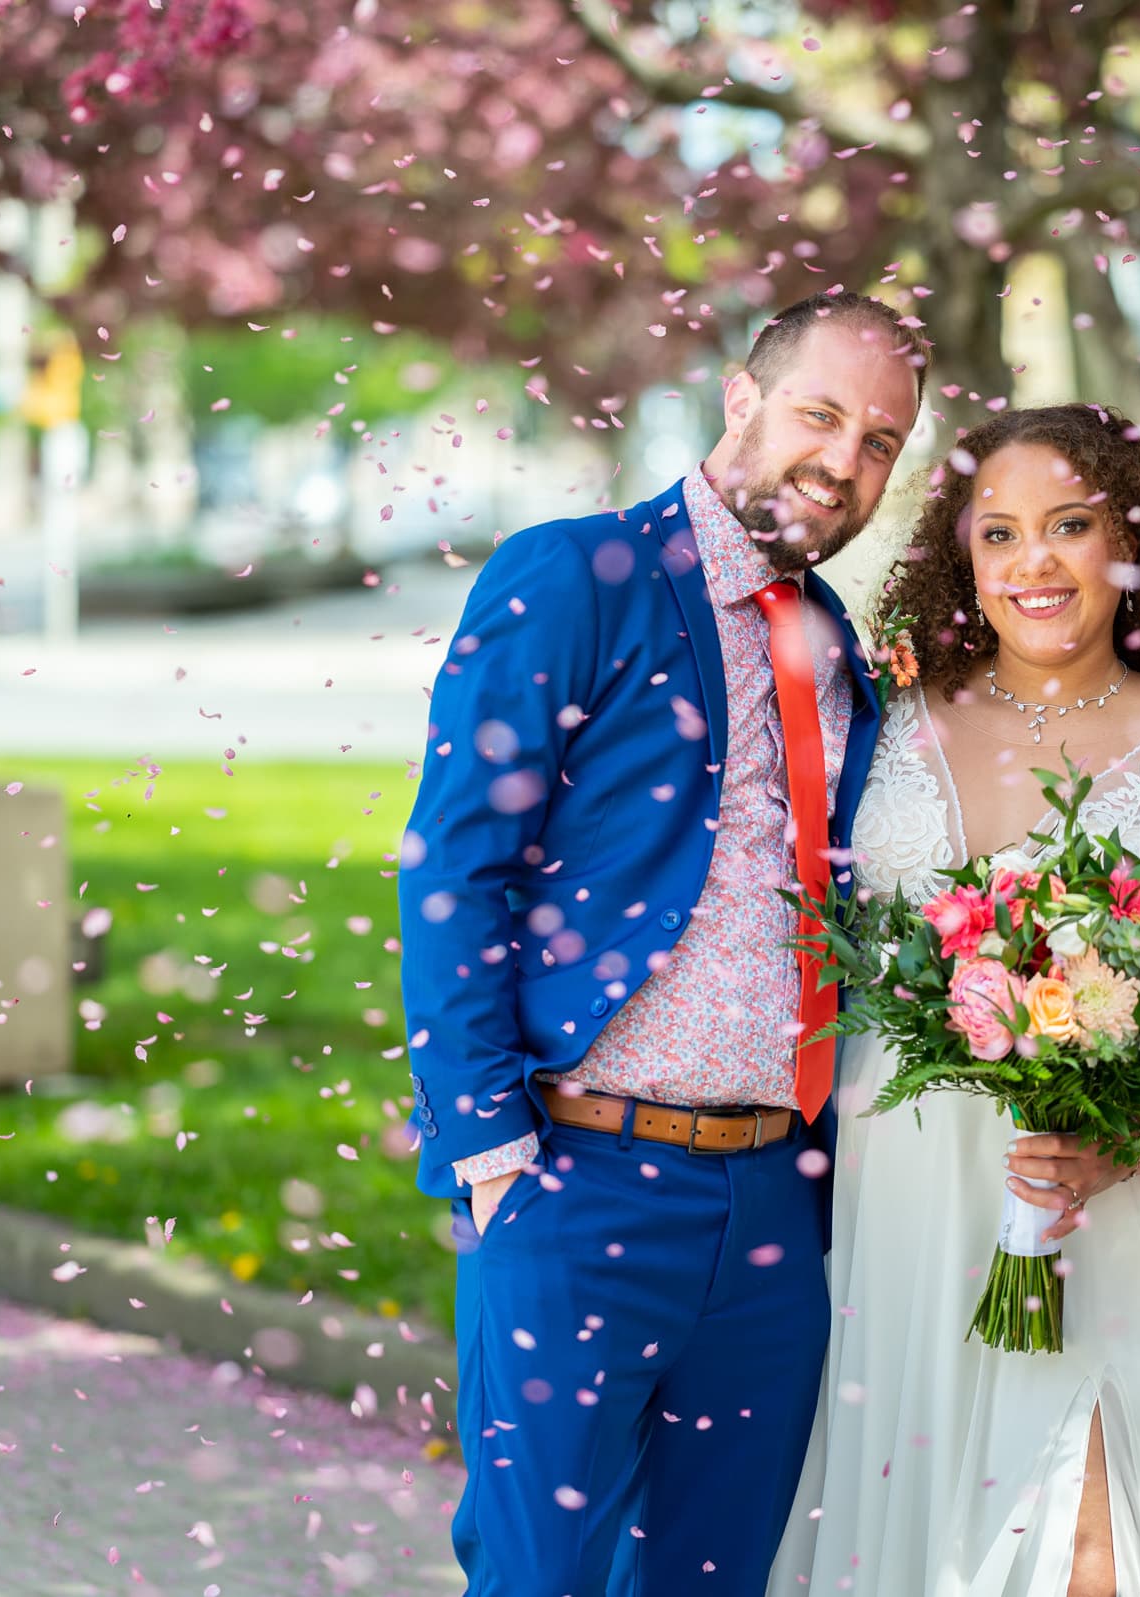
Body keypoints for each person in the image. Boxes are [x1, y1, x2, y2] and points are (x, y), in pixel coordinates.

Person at [398, 290, 928, 1595]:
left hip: (767, 1202)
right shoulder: (579, 576)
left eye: (879, 442)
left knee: (716, 1579)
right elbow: (456, 869)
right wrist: (490, 1154)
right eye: (820, 414)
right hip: (578, 1179)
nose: (844, 461)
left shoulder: (837, 647)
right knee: (542, 1576)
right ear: (739, 399)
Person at [768, 404, 1140, 1597]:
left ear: (1131, 543)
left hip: (1116, 1217)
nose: (1035, 563)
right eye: (1000, 533)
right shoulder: (880, 730)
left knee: (1093, 1550)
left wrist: (1123, 1145)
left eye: (1070, 525)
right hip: (904, 1209)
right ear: (959, 559)